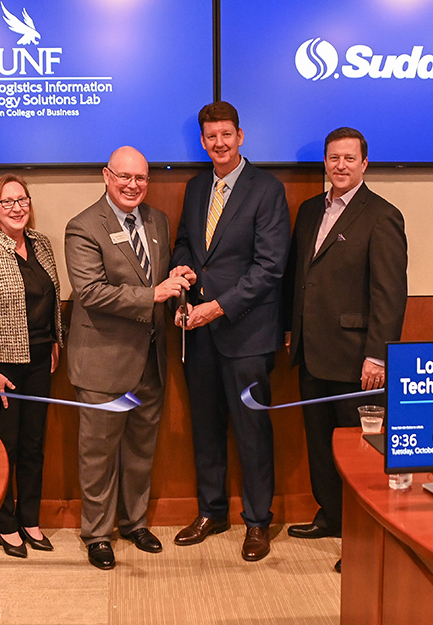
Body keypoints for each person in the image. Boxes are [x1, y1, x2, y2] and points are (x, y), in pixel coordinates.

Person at [170, 101, 291, 562]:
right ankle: (212, 510)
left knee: (252, 431)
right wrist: (181, 267)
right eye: (210, 137)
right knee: (205, 428)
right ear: (202, 142)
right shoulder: (197, 187)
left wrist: (215, 309)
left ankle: (258, 521)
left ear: (240, 135)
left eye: (226, 134)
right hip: (198, 334)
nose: (218, 143)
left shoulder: (267, 189)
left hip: (247, 335)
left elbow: (270, 267)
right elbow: (186, 241)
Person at [284, 127, 408, 572]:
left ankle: (362, 537)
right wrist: (290, 331)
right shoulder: (309, 210)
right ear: (325, 161)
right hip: (312, 353)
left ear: (364, 164)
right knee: (321, 446)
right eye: (333, 158)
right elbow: (300, 279)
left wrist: (377, 355)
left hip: (358, 361)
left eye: (349, 159)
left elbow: (390, 294)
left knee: (361, 455)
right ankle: (332, 517)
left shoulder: (382, 215)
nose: (340, 166)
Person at [64, 146, 192, 570]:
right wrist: (152, 293)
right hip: (103, 362)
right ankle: (97, 534)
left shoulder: (157, 221)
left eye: (141, 177)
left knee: (140, 449)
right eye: (124, 177)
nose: (133, 185)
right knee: (98, 454)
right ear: (106, 175)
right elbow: (91, 292)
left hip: (150, 359)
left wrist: (174, 279)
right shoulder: (82, 227)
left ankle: (134, 522)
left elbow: (158, 278)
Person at [0, 174, 64, 559]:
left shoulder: (42, 245)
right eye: (8, 202)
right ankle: (6, 524)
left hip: (40, 359)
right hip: (1, 367)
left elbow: (50, 299)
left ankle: (30, 518)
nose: (18, 208)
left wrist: (55, 339)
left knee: (35, 444)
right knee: (5, 448)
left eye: (23, 200)